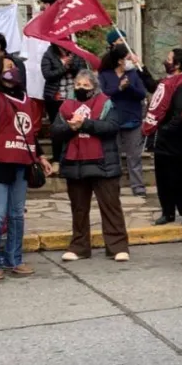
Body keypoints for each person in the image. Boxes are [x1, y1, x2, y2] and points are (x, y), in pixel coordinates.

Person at [0, 55, 51, 280]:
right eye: (8, 66)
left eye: (14, 66)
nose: (13, 69)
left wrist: (40, 156)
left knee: (16, 214)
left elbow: (28, 132)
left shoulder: (24, 98)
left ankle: (14, 259)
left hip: (21, 161)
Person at [52, 70, 130, 262]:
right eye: (78, 85)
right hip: (75, 163)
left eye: (86, 85)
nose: (81, 88)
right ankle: (79, 247)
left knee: (110, 206)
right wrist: (70, 128)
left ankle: (118, 247)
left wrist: (85, 124)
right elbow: (55, 131)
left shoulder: (106, 103)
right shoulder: (66, 106)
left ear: (94, 87)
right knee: (79, 209)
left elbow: (112, 127)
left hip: (103, 163)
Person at [143, 48, 182, 227]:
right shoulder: (167, 81)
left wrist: (167, 129)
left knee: (178, 176)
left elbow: (180, 112)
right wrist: (140, 68)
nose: (166, 61)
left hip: (176, 137)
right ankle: (167, 212)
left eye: (169, 59)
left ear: (178, 64)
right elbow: (152, 86)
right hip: (162, 136)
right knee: (162, 177)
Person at [98, 45, 148, 198]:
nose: (131, 60)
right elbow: (102, 95)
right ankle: (114, 186)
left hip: (132, 119)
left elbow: (142, 94)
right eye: (128, 58)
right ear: (120, 60)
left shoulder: (133, 74)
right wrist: (119, 88)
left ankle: (138, 186)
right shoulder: (105, 75)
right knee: (114, 156)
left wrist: (129, 87)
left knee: (135, 156)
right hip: (113, 120)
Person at [41, 43, 87, 165]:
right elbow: (47, 75)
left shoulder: (76, 53)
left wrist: (72, 65)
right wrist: (64, 67)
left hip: (74, 97)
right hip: (55, 98)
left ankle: (73, 157)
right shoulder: (49, 54)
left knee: (75, 127)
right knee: (57, 129)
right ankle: (57, 159)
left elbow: (83, 73)